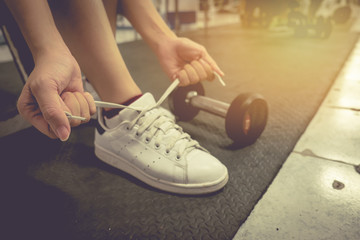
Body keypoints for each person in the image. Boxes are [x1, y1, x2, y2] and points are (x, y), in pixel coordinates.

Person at [4, 0, 228, 195]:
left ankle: (98, 83)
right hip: (34, 30)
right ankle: (121, 110)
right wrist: (48, 50)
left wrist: (164, 39)